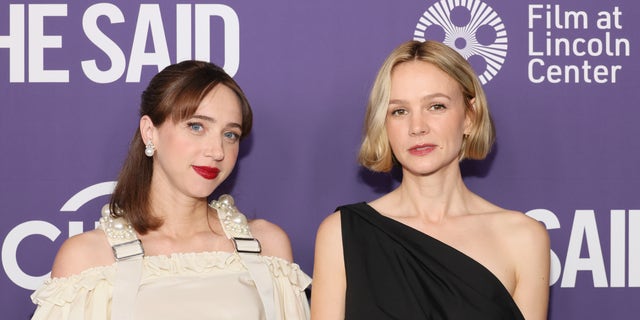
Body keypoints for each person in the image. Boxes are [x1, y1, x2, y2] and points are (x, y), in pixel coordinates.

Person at [31, 60, 311, 320]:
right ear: (150, 132)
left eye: (230, 134)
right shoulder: (88, 258)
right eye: (196, 126)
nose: (216, 151)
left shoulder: (267, 246)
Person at [311, 40, 550, 320]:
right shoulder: (342, 234)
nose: (417, 127)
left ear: (469, 117)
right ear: (384, 125)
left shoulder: (522, 238)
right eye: (399, 111)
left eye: (436, 106)